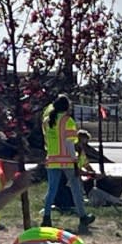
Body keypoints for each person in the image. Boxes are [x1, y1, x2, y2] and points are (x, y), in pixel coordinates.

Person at [41, 95, 94, 230]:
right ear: (67, 107)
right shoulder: (67, 121)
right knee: (76, 188)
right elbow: (69, 143)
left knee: (52, 189)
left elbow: (47, 141)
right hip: (67, 160)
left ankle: (46, 217)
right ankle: (83, 216)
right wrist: (75, 160)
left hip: (52, 159)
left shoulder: (47, 121)